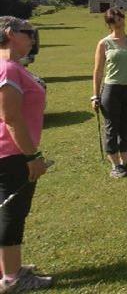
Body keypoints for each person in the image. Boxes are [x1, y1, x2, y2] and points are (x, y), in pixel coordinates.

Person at [0, 16, 52, 291]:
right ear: (10, 33)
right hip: (12, 153)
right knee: (12, 212)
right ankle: (12, 278)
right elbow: (11, 117)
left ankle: (10, 266)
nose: (32, 38)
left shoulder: (10, 67)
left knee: (10, 211)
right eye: (28, 32)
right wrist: (32, 155)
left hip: (8, 151)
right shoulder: (8, 69)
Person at [91, 9, 127, 178]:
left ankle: (125, 163)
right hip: (111, 89)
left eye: (121, 17)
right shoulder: (104, 43)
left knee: (126, 127)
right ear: (109, 24)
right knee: (111, 128)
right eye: (115, 20)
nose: (120, 21)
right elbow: (98, 71)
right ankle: (115, 166)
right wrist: (95, 95)